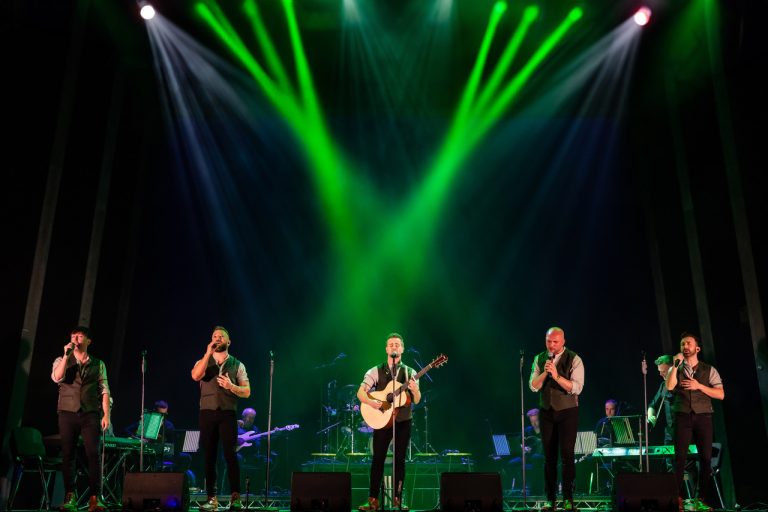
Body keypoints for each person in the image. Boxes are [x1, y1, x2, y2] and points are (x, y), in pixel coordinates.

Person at [356, 333, 421, 511]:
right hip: (382, 420)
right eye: (391, 344)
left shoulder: (410, 373)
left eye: (397, 344)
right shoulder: (375, 371)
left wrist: (415, 390)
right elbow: (360, 393)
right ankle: (372, 501)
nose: (394, 347)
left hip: (403, 421)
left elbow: (416, 400)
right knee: (378, 459)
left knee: (400, 460)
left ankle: (398, 500)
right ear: (386, 349)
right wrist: (371, 402)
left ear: (402, 349)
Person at [51, 326, 111, 512]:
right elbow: (57, 378)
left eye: (79, 336)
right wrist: (66, 357)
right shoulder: (61, 360)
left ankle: (95, 498)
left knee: (93, 453)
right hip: (67, 412)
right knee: (68, 454)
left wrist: (106, 414)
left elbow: (104, 390)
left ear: (88, 341)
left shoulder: (98, 364)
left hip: (89, 412)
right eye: (73, 336)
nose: (75, 339)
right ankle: (70, 496)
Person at [191, 326, 251, 511]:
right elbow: (195, 376)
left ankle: (235, 498)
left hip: (227, 413)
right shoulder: (203, 361)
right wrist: (207, 353)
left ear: (228, 342)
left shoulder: (238, 364)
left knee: (230, 455)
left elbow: (247, 391)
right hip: (207, 412)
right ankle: (212, 499)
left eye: (221, 336)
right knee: (209, 456)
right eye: (214, 336)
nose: (217, 338)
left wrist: (231, 386)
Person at [665, 333, 724, 512]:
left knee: (705, 458)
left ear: (697, 348)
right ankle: (677, 498)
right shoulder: (676, 367)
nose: (685, 346)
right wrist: (675, 366)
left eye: (688, 343)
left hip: (703, 416)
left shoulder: (709, 369)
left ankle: (700, 499)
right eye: (682, 344)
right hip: (682, 415)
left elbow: (720, 394)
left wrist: (699, 386)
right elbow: (669, 386)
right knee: (679, 458)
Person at [529, 327, 585, 512]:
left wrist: (557, 375)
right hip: (546, 412)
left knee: (567, 456)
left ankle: (568, 499)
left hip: (568, 411)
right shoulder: (539, 358)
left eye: (555, 342)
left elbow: (577, 387)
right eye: (548, 341)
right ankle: (550, 499)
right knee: (549, 458)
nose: (551, 345)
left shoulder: (574, 359)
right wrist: (546, 373)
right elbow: (533, 386)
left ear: (563, 342)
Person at [509, 408, 544, 494]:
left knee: (536, 458)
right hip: (527, 456)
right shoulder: (527, 430)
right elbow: (519, 442)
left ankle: (534, 488)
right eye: (532, 421)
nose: (534, 424)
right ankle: (521, 486)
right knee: (512, 463)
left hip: (541, 456)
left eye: (536, 421)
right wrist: (523, 448)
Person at [648, 355, 675, 446]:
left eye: (663, 371)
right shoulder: (663, 385)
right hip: (670, 435)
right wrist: (650, 417)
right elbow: (652, 405)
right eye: (659, 371)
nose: (660, 374)